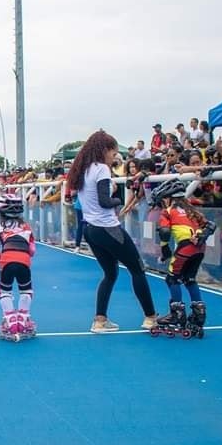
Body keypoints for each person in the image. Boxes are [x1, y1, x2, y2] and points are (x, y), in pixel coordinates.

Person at [66, 130, 158, 333]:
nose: (114, 157)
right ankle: (151, 317)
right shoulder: (101, 169)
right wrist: (118, 198)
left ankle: (100, 320)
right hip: (107, 227)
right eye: (113, 153)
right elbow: (104, 201)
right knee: (137, 269)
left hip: (91, 229)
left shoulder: (83, 170)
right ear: (104, 150)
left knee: (110, 273)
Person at [150, 179, 215, 337]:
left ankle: (176, 313)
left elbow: (165, 232)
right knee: (190, 278)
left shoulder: (168, 211)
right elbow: (210, 225)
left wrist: (165, 249)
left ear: (167, 198)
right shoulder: (191, 209)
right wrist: (202, 236)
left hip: (185, 247)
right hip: (200, 248)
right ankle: (199, 314)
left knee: (172, 278)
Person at [0, 193, 37, 340]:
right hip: (24, 261)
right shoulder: (27, 228)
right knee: (26, 290)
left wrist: (1, 261)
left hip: (6, 261)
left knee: (5, 291)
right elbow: (32, 250)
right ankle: (23, 321)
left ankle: (10, 322)